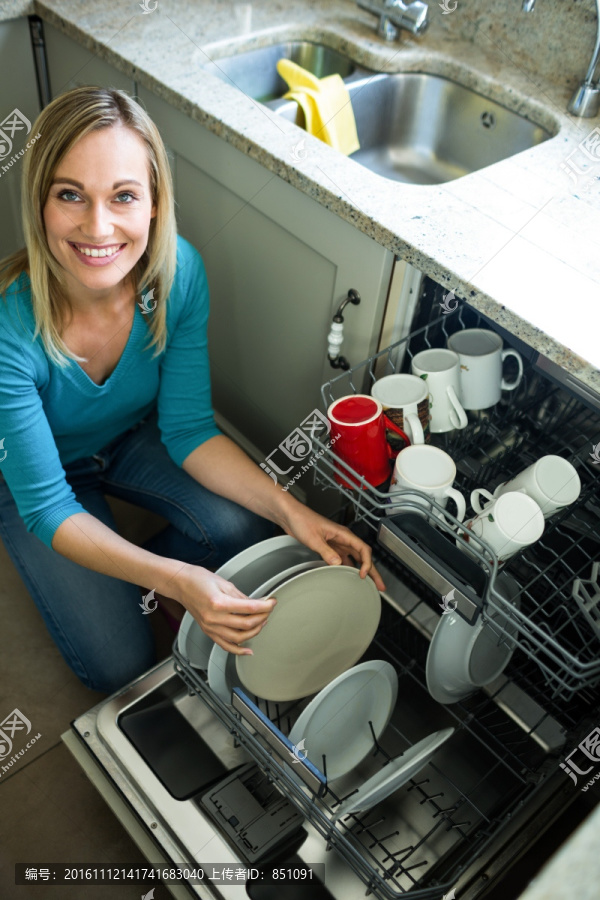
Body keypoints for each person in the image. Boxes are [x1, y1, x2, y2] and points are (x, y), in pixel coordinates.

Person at [0, 86, 384, 694]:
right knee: (118, 664)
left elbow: (187, 429)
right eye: (69, 194)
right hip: (37, 479)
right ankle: (131, 572)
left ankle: (128, 567)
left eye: (123, 196)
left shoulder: (178, 277)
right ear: (40, 203)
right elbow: (48, 505)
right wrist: (179, 580)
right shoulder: (8, 328)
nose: (97, 227)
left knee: (250, 528)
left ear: (154, 204)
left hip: (129, 438)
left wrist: (294, 511)